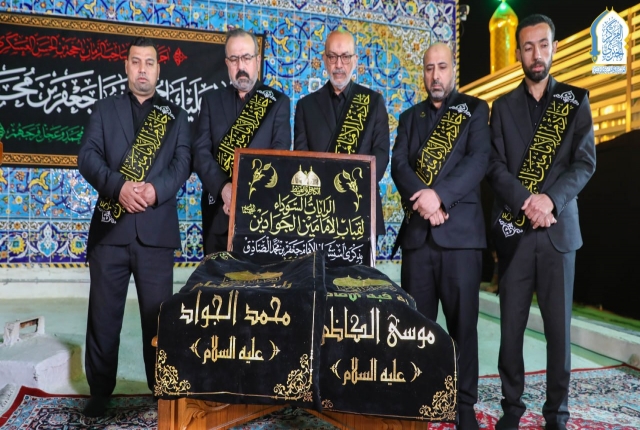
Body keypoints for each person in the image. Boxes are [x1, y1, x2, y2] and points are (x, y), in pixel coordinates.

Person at [486, 14, 596, 430]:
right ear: (518, 52)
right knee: (511, 330)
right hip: (515, 232)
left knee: (558, 333)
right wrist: (525, 201)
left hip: (558, 232)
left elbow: (584, 163)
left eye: (543, 44)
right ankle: (512, 409)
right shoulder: (502, 107)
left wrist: (550, 199)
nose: (536, 54)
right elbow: (495, 167)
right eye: (528, 46)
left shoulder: (574, 101)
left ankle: (557, 414)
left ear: (554, 48)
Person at [78, 37, 191, 417]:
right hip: (111, 230)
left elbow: (182, 163)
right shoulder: (104, 110)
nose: (143, 69)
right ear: (126, 66)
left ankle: (161, 392)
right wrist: (118, 187)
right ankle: (100, 392)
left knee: (157, 319)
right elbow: (87, 157)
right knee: (103, 317)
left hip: (155, 234)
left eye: (149, 63)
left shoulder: (176, 116)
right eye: (136, 62)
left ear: (159, 70)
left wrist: (155, 191)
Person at [391, 42, 490, 430]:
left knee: (463, 328)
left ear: (453, 70)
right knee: (415, 328)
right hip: (419, 240)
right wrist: (426, 201)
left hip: (461, 240)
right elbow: (399, 165)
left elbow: (478, 162)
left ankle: (463, 406)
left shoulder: (475, 110)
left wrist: (439, 196)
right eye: (429, 68)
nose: (435, 75)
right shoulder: (408, 117)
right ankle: (418, 399)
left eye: (442, 67)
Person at [193, 28, 291, 255]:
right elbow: (200, 153)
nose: (241, 66)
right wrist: (224, 189)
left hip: (261, 216)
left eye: (246, 57)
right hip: (218, 213)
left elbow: (280, 155)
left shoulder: (277, 103)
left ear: (257, 60)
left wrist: (244, 195)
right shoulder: (210, 101)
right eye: (234, 59)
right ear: (227, 63)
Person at [294, 28, 389, 237]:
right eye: (333, 57)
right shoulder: (306, 106)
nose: (339, 65)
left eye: (345, 57)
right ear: (324, 59)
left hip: (361, 209)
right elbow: (302, 159)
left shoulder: (373, 102)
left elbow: (381, 155)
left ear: (355, 60)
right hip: (318, 214)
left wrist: (350, 189)